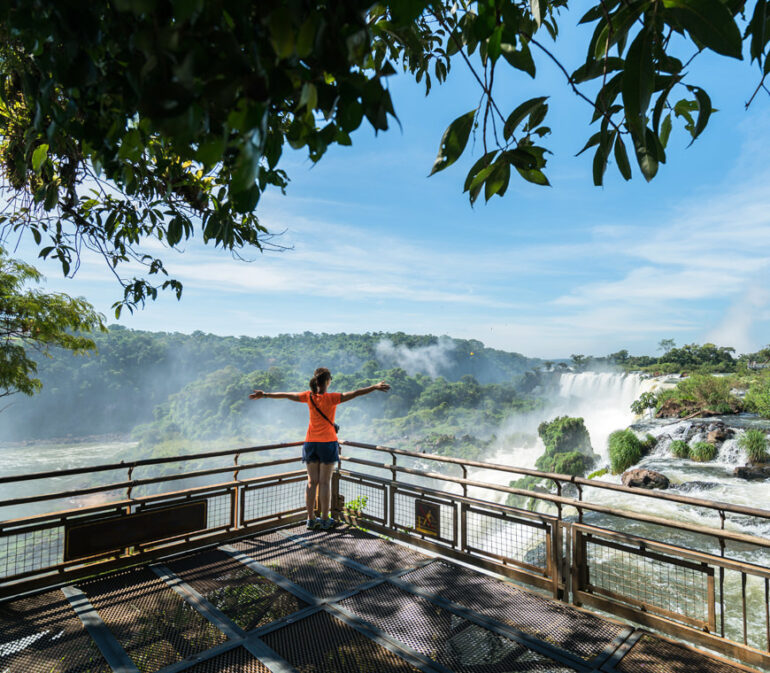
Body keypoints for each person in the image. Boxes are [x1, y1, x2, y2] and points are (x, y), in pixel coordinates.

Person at [248, 367, 390, 530]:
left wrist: (264, 394)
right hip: (328, 443)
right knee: (324, 482)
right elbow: (356, 393)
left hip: (310, 443)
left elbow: (287, 395)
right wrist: (374, 386)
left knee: (311, 482)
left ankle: (310, 519)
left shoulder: (308, 397)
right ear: (328, 381)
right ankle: (324, 519)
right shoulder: (332, 398)